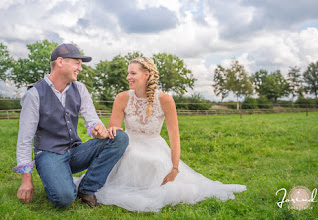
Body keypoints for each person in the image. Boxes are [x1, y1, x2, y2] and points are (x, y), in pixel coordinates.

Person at [76, 57, 246, 212]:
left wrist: (174, 168)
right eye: (128, 73)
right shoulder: (122, 98)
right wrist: (109, 130)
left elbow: (174, 137)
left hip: (154, 145)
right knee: (130, 155)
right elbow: (114, 134)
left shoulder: (165, 100)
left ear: (146, 75)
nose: (128, 77)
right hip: (128, 142)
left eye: (133, 73)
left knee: (155, 162)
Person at [14, 43, 129, 208]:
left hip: (74, 152)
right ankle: (56, 177)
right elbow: (24, 139)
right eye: (77, 63)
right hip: (49, 155)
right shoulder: (34, 94)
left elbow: (92, 120)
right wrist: (26, 181)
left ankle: (87, 188)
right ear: (60, 62)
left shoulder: (80, 89)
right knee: (64, 199)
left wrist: (98, 129)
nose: (80, 68)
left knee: (119, 138)